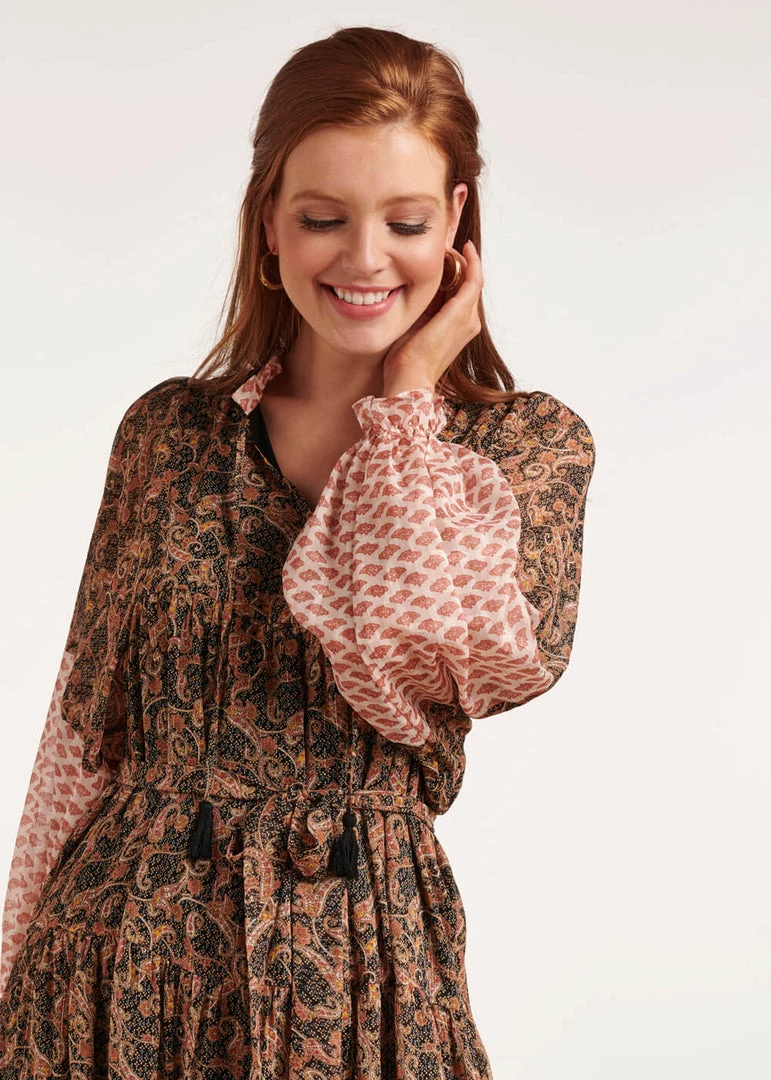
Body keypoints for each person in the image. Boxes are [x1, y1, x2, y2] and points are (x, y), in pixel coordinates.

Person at [0, 25, 595, 1080]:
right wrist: (12, 975)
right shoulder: (169, 432)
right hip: (118, 960)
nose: (364, 258)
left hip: (358, 966)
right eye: (323, 218)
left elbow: (423, 658)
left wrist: (407, 398)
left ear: (456, 223)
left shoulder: (522, 451)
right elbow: (84, 731)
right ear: (268, 223)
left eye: (404, 221)